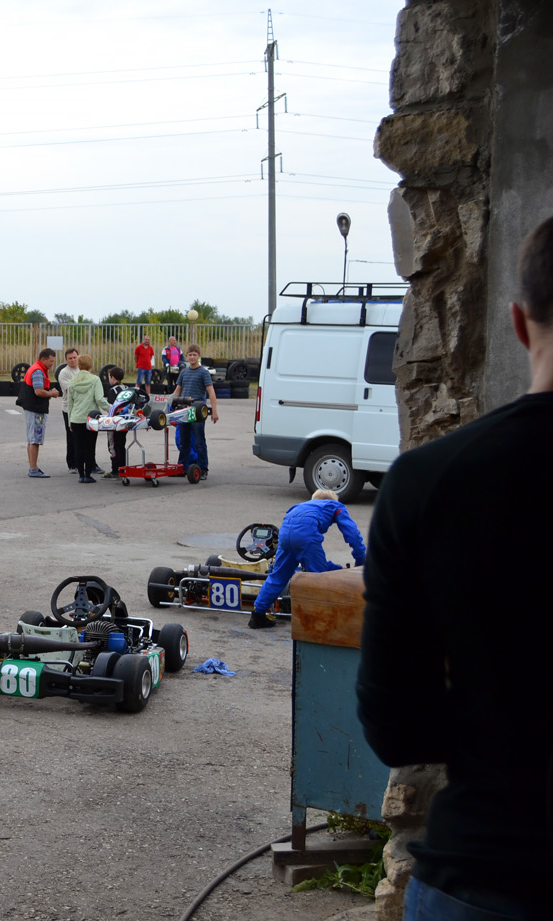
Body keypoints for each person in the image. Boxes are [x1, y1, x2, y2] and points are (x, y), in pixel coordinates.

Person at [357, 216, 553, 921]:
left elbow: (396, 725)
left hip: (486, 872)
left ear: (519, 323)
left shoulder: (428, 482)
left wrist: (494, 719)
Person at [247, 488, 365, 629]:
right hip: (306, 536)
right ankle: (320, 620)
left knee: (278, 576)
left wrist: (337, 569)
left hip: (285, 536)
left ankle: (257, 615)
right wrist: (360, 561)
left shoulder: (299, 506)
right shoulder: (335, 505)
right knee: (319, 578)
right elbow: (353, 535)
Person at [170, 344, 218, 478]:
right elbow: (177, 391)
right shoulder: (184, 372)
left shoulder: (203, 372)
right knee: (184, 441)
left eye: (194, 355)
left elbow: (211, 392)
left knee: (199, 441)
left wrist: (214, 411)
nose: (192, 357)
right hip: (184, 410)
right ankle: (182, 468)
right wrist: (169, 405)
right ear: (186, 356)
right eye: (190, 355)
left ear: (199, 356)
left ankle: (203, 469)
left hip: (197, 410)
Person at [65, 355, 110, 483]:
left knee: (78, 447)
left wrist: (70, 421)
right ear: (90, 365)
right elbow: (99, 399)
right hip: (91, 418)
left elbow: (70, 403)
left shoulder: (73, 381)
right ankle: (88, 473)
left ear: (79, 365)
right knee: (90, 447)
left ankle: (81, 475)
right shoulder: (95, 380)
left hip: (76, 418)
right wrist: (112, 408)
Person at [16, 349, 59, 477]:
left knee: (31, 439)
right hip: (36, 409)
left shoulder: (36, 368)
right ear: (43, 359)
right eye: (51, 361)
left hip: (32, 407)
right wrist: (52, 393)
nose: (52, 364)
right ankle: (33, 469)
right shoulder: (38, 371)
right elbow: (38, 391)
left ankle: (33, 467)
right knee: (35, 440)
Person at [103, 366, 133, 478]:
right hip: (125, 421)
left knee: (113, 446)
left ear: (112, 377)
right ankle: (123, 467)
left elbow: (111, 407)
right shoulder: (127, 388)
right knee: (121, 444)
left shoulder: (113, 391)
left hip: (115, 422)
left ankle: (115, 470)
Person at [55, 346, 81, 474]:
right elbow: (70, 389)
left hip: (82, 407)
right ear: (66, 360)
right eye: (70, 358)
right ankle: (72, 464)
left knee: (84, 437)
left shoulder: (82, 370)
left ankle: (87, 462)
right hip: (68, 408)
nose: (73, 360)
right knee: (71, 436)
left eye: (75, 357)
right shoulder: (64, 373)